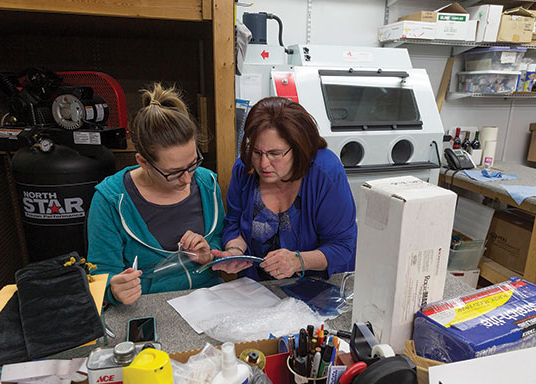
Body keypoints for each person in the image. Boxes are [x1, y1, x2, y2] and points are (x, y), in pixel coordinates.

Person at [87, 83, 224, 305]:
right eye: (173, 173)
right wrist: (113, 290)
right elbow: (100, 276)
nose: (188, 179)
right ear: (143, 162)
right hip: (149, 306)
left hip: (209, 301)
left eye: (192, 164)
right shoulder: (111, 200)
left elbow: (218, 237)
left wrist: (209, 254)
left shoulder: (207, 183)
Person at [213, 96, 356, 280]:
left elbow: (342, 246)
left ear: (298, 148)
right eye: (257, 152)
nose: (263, 164)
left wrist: (298, 261)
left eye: (275, 154)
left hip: (319, 286)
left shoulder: (325, 172)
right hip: (257, 290)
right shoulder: (245, 168)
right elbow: (234, 224)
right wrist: (234, 251)